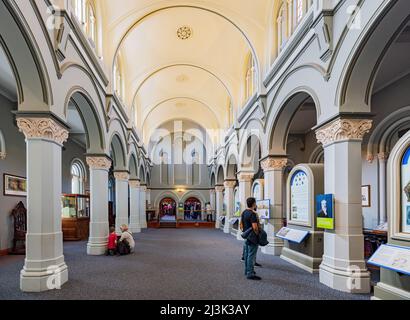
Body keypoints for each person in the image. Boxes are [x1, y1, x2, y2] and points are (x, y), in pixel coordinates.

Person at [241, 197, 261, 280]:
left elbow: (241, 224)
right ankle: (250, 273)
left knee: (246, 254)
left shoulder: (244, 212)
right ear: (253, 204)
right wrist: (257, 235)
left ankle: (247, 270)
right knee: (251, 255)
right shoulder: (252, 214)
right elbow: (255, 227)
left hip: (246, 236)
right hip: (252, 237)